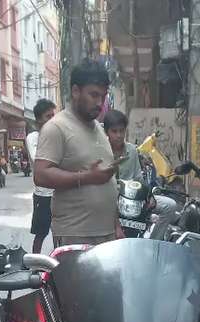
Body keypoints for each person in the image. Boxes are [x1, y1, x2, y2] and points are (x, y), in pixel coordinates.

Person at [34, 60, 119, 247]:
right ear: (75, 91)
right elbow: (40, 175)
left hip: (107, 235)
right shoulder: (56, 127)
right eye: (94, 95)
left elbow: (108, 183)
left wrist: (117, 226)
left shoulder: (99, 129)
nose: (100, 103)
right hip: (75, 236)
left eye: (103, 96)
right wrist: (87, 177)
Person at [26, 98, 57, 253]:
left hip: (59, 194)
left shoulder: (59, 136)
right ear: (38, 120)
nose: (52, 120)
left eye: (53, 116)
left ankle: (60, 262)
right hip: (43, 195)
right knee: (41, 234)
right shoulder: (33, 138)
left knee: (60, 233)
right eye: (48, 116)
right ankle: (35, 263)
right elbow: (38, 160)